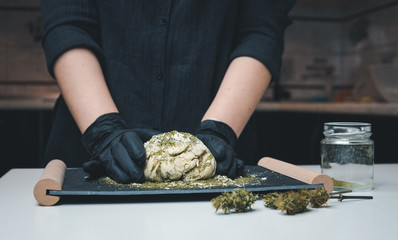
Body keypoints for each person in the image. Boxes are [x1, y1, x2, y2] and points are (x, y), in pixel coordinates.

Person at [41, 0, 295, 183]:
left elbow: (261, 30)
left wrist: (219, 129)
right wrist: (102, 131)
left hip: (220, 158)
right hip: (86, 154)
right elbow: (68, 23)